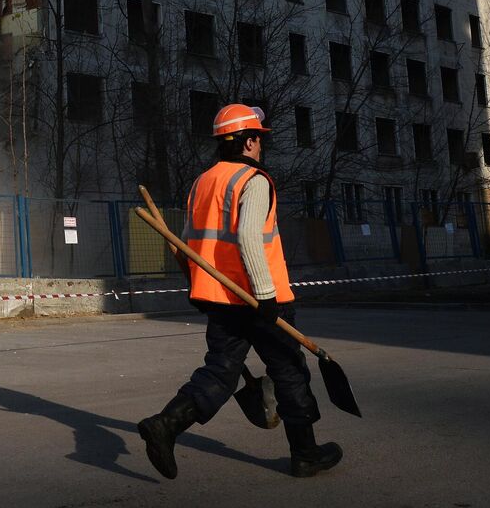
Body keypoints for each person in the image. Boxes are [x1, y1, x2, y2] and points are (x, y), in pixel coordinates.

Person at [137, 104, 343, 479]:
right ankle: (306, 454)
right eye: (258, 139)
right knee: (289, 372)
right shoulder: (254, 180)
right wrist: (266, 295)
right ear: (248, 141)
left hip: (221, 299)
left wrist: (196, 283)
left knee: (220, 371)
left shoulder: (203, 182)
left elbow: (186, 243)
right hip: (261, 300)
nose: (261, 146)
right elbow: (249, 236)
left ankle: (165, 425)